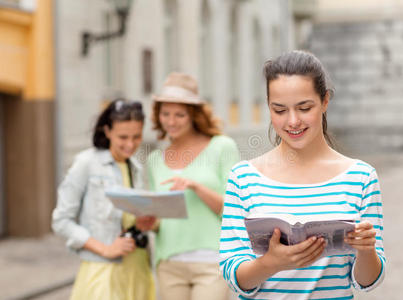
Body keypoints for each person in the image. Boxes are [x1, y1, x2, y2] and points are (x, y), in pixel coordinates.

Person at [219, 51, 386, 299]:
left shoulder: (361, 177)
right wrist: (271, 264)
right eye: (279, 110)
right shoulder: (243, 178)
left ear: (325, 101)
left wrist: (366, 251)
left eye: (304, 108)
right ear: (268, 107)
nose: (293, 121)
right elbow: (232, 273)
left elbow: (367, 281)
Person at [138, 72, 240, 300]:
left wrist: (196, 187)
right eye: (165, 113)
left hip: (212, 261)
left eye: (179, 115)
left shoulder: (222, 147)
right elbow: (162, 218)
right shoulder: (155, 160)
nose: (171, 121)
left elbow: (234, 210)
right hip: (169, 263)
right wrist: (150, 223)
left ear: (193, 115)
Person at [52, 99, 155, 300]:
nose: (130, 144)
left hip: (138, 269)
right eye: (123, 137)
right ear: (107, 131)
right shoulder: (86, 163)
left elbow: (127, 218)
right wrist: (106, 249)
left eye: (137, 136)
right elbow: (61, 221)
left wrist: (142, 223)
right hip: (102, 273)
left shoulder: (136, 167)